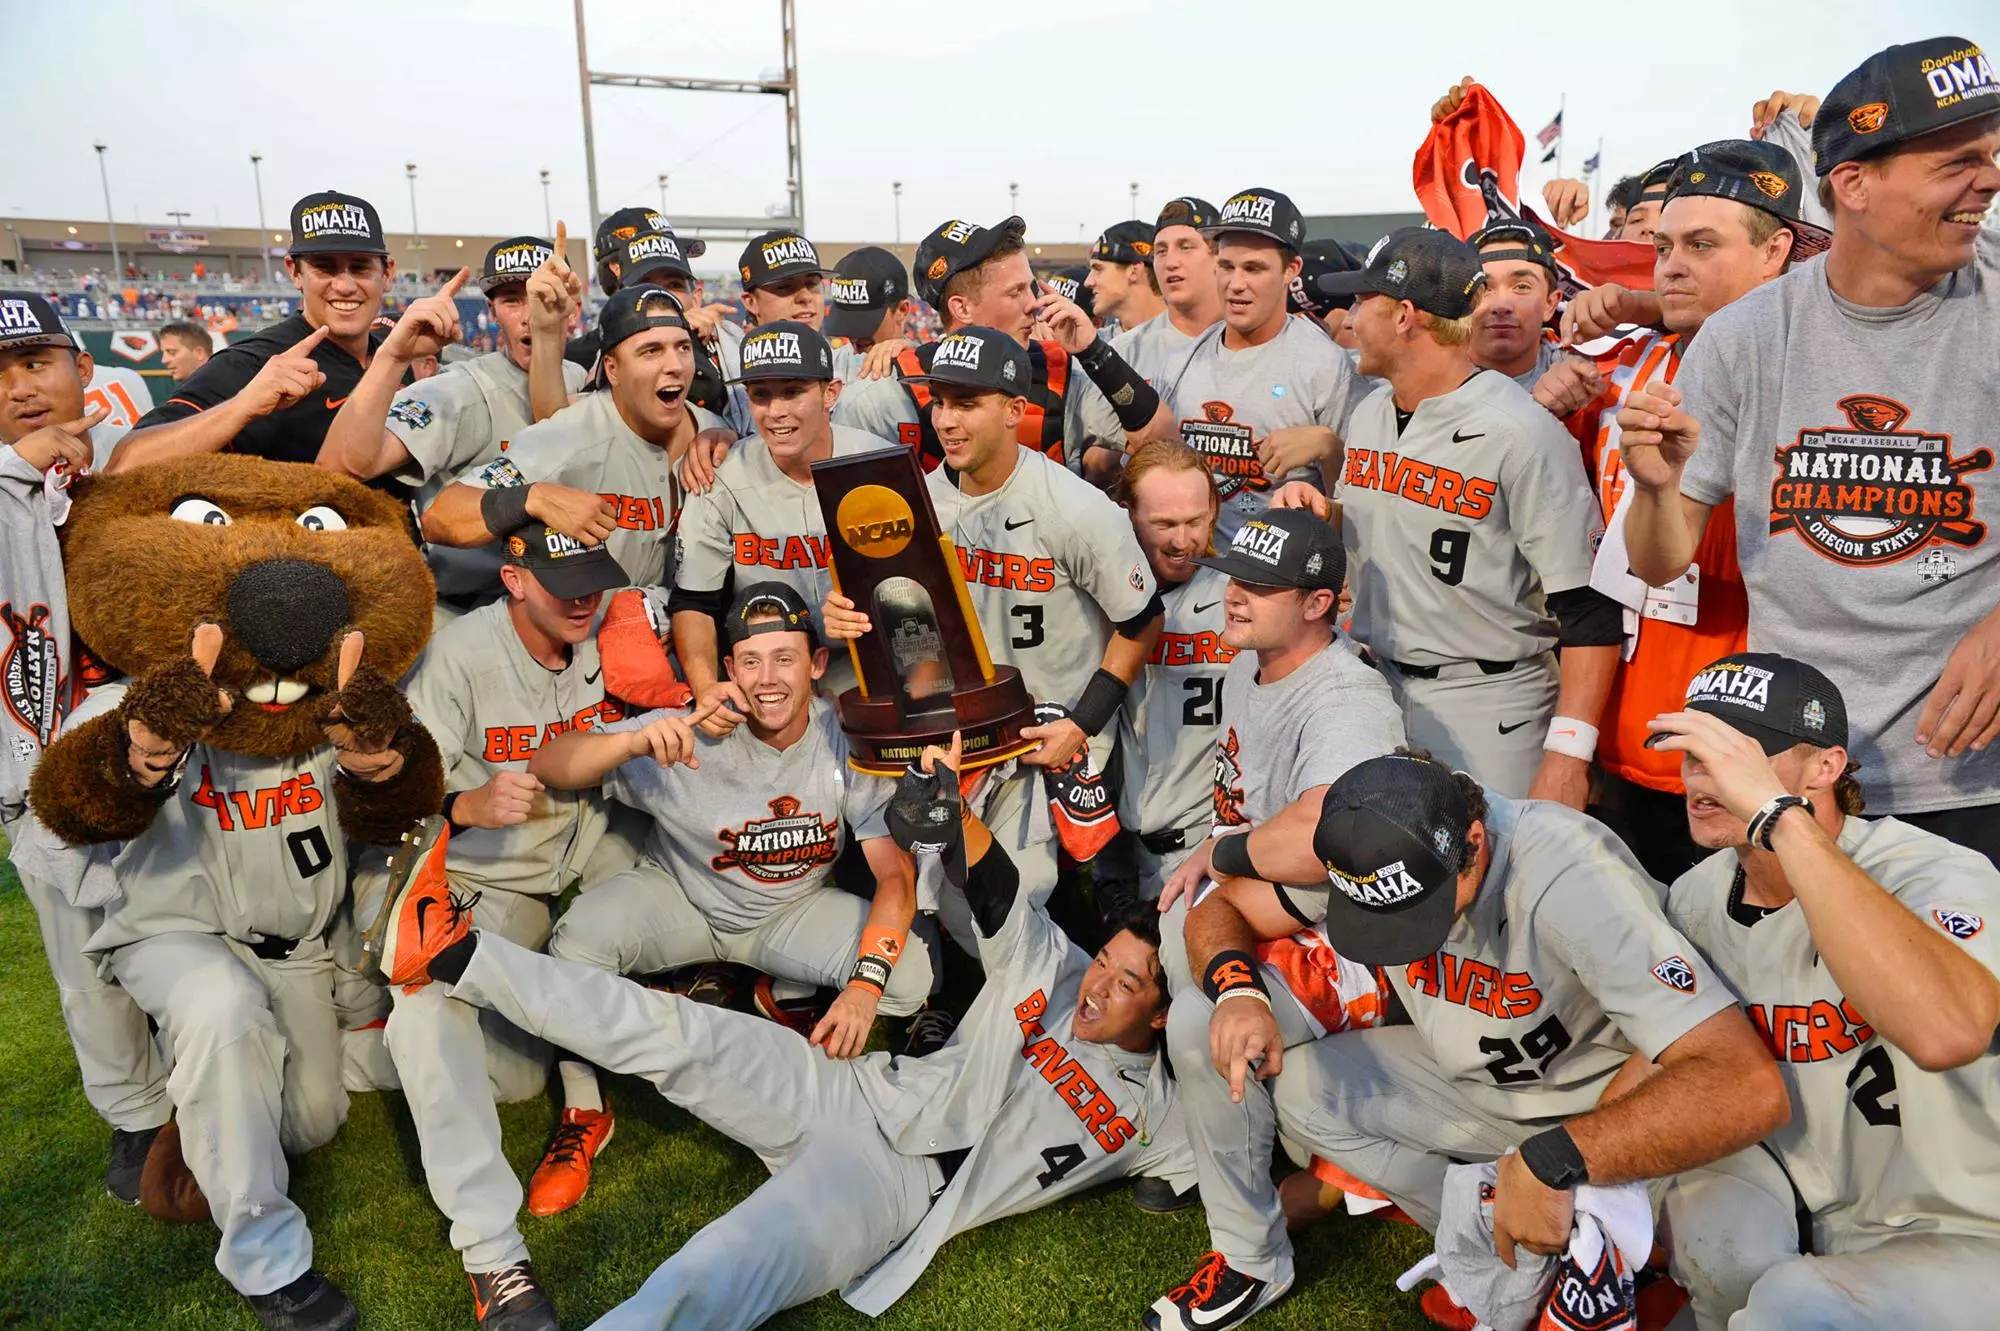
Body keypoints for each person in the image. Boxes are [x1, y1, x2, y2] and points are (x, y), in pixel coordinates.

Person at [370, 727, 1192, 1331]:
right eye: (1107, 963)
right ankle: (452, 952)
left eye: (1128, 983)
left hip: (894, 1186)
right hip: (850, 1089)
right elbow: (1000, 892)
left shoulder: (1164, 1110)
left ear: (1162, 1011)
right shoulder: (1056, 968)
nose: (1100, 986)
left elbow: (1262, 1166)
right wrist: (952, 809)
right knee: (669, 1029)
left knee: (719, 1269)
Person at [1170, 751, 1787, 1330]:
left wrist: (1560, 1162)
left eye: (1423, 907)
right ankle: (1503, 1252)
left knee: (1738, 1252)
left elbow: (1741, 1081)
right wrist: (1238, 993)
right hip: (1493, 1095)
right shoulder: (1377, 846)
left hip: (1620, 1108)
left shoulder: (1567, 873)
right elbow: (1218, 912)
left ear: (1475, 840)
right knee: (1305, 1091)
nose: (1405, 933)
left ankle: (1604, 1252)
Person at [1620, 34, 2000, 862]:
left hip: (1976, 782)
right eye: (1957, 163)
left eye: (1993, 156)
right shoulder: (1748, 335)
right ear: (1853, 184)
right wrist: (1653, 489)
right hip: (1793, 778)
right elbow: (1659, 561)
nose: (1992, 180)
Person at [520, 583, 936, 1213]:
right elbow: (548, 762)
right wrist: (632, 741)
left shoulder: (843, 735)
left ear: (817, 664)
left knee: (907, 978)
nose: (767, 679)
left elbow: (895, 879)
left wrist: (862, 990)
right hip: (683, 898)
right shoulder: (692, 726)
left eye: (785, 658)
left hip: (789, 910)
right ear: (727, 668)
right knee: (576, 943)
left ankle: (778, 992)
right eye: (750, 660)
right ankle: (584, 1107)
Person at [1647, 653, 2000, 1330]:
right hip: (1813, 1208)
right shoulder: (1696, 895)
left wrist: (1780, 819)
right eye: (1694, 753)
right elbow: (1666, 1052)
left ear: (1825, 768)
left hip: (1972, 1226)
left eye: (1736, 757)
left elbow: (1950, 1031)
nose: (1702, 778)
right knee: (1723, 1250)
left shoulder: (1932, 873)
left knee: (1793, 1306)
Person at [350, 523, 639, 1330]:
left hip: (561, 872)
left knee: (513, 1079)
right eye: (561, 579)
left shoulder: (603, 627)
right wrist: (461, 804)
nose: (582, 594)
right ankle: (493, 1256)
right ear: (514, 581)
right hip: (471, 874)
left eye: (593, 576)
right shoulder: (462, 654)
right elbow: (386, 799)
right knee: (432, 1010)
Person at [1141, 508, 1405, 1327]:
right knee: (1182, 946)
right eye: (1234, 576)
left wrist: (1221, 861)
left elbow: (1330, 840)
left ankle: (1253, 1256)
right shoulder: (1247, 669)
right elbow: (1244, 818)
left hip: (1355, 935)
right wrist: (1215, 857)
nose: (1235, 595)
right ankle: (1246, 1148)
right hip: (1275, 911)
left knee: (1195, 1019)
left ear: (1319, 601)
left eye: (1261, 585)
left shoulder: (1348, 696)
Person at [822, 326, 1164, 951]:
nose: (946, 420)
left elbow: (1142, 623)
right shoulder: (916, 500)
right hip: (955, 728)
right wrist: (846, 617)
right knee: (931, 888)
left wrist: (1082, 724)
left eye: (967, 403)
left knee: (1003, 912)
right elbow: (895, 618)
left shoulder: (1076, 509)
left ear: (1014, 411)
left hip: (1042, 734)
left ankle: (1039, 1005)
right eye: (940, 401)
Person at [1316, 227, 1623, 805]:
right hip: (1380, 685)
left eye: (1362, 300)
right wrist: (1326, 513)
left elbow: (1590, 609)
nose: (1349, 316)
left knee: (1499, 882)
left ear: (1405, 315)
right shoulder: (1371, 412)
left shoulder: (1521, 431)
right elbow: (1399, 523)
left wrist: (1568, 756)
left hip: (1491, 702)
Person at [1576, 141, 1811, 884]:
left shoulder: (1814, 373)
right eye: (1664, 246)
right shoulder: (1623, 366)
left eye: (1701, 246)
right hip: (1626, 731)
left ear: (1777, 251)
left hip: (1748, 747)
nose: (1671, 265)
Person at [0, 292, 169, 1205]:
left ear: (79, 368)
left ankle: (201, 1078)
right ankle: (138, 1113)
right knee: (83, 953)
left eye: (36, 361)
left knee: (182, 915)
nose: (22, 386)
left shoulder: (123, 455)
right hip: (36, 767)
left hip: (147, 730)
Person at [317, 235, 588, 619]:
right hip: (466, 610)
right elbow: (340, 468)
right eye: (513, 300)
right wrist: (394, 356)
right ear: (492, 312)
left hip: (565, 609)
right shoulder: (457, 389)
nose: (530, 315)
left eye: (542, 296)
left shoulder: (580, 379)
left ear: (571, 309)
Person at [423, 285, 730, 589]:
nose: (675, 366)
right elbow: (441, 516)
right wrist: (532, 498)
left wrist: (732, 442)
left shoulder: (715, 434)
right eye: (651, 351)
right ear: (612, 369)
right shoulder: (570, 434)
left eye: (683, 347)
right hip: (583, 630)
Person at [833, 216, 1169, 476]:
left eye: (1030, 288)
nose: (1034, 304)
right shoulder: (884, 393)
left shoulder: (1062, 375)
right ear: (961, 308)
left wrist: (1094, 352)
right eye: (1015, 292)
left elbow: (1162, 442)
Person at [670, 321, 882, 708]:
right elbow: (694, 600)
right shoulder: (722, 475)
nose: (776, 412)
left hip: (867, 670)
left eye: (793, 392)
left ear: (830, 393)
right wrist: (705, 689)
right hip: (765, 682)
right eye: (761, 396)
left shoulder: (879, 465)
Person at [110, 191, 399, 472]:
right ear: (295, 272)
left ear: (387, 274)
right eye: (324, 268)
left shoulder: (399, 354)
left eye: (360, 268)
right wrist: (243, 405)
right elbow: (125, 465)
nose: (345, 286)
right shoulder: (253, 362)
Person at [1153, 187, 1367, 538]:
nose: (1236, 284)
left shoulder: (1326, 367)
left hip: (1280, 580)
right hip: (1193, 572)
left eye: (1254, 268)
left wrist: (1329, 449)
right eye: (1226, 267)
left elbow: (1360, 508)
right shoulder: (1179, 363)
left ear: (1291, 270)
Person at [1109, 441, 1235, 902]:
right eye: (1163, 524)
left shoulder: (1243, 598)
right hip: (1122, 851)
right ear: (1126, 514)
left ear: (1214, 510)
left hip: (1209, 853)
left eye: (1194, 521)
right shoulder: (1099, 592)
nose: (1182, 541)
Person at [823, 246, 912, 353]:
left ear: (902, 310)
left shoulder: (929, 365)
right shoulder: (831, 365)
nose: (854, 337)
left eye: (864, 325)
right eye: (846, 324)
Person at [1085, 220, 1163, 336]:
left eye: (1098, 268)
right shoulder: (1091, 346)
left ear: (1134, 271)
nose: (1088, 282)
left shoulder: (1193, 343)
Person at [157, 319, 213, 384]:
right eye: (163, 353)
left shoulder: (223, 387)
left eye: (172, 352)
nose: (164, 360)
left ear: (199, 353)